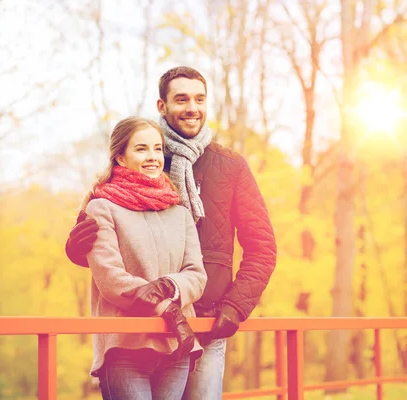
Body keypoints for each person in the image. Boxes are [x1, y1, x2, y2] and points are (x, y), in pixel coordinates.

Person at [67, 67, 277, 400]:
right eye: (181, 99)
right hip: (144, 324)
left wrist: (235, 308)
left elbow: (262, 247)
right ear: (162, 106)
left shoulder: (230, 165)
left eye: (199, 99)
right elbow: (105, 246)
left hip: (207, 323)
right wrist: (76, 248)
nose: (192, 107)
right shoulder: (146, 154)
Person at [82, 116, 207, 400]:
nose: (152, 157)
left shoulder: (180, 213)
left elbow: (196, 275)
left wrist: (167, 287)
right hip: (127, 346)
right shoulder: (102, 208)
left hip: (176, 344)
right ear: (121, 159)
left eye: (157, 149)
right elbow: (111, 279)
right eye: (141, 149)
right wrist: (166, 307)